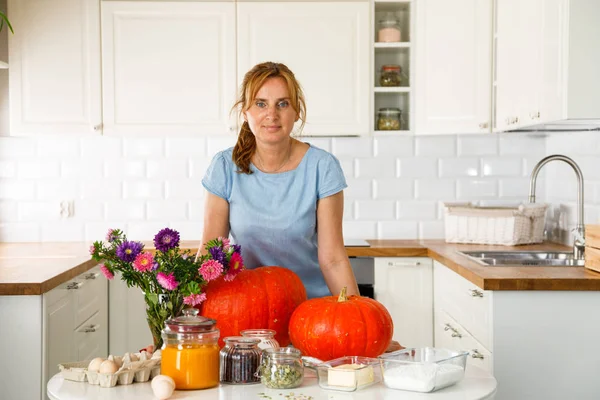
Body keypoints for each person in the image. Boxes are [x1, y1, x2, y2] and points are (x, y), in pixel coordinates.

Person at [198, 61, 401, 351]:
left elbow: (332, 258)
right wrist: (186, 318)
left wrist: (362, 324)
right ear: (246, 111)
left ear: (296, 112)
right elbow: (210, 254)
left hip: (313, 319)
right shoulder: (223, 167)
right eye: (260, 103)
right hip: (248, 322)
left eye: (282, 104)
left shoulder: (322, 167)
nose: (272, 114)